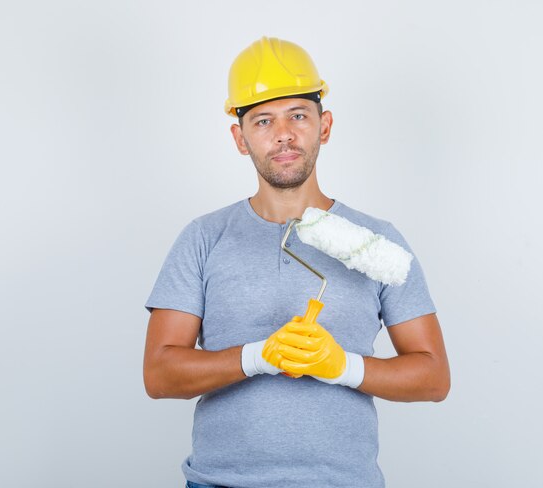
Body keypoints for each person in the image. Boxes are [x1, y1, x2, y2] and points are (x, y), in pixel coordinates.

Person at [143, 36, 450, 488]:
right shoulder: (203, 239)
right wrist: (256, 357)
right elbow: (159, 374)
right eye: (263, 120)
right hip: (219, 482)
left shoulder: (378, 239)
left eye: (298, 116)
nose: (284, 134)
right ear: (240, 138)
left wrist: (343, 366)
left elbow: (434, 377)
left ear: (324, 126)